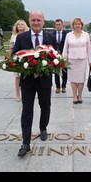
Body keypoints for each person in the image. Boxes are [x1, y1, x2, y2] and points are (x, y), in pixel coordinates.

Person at [12, 10, 57, 157]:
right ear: (29, 21)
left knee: (45, 106)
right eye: (33, 20)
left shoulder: (50, 37)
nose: (36, 23)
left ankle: (43, 128)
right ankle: (26, 143)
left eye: (39, 20)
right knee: (27, 111)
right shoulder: (21, 37)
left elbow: (57, 56)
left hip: (45, 80)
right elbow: (14, 56)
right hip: (28, 81)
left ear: (43, 21)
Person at [62, 17, 91, 104]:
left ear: (82, 25)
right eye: (75, 24)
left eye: (79, 24)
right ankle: (75, 96)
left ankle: (80, 95)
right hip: (72, 60)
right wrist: (63, 59)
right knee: (73, 79)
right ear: (73, 25)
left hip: (82, 60)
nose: (77, 25)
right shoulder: (69, 35)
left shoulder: (86, 35)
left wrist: (90, 60)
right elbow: (65, 48)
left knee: (81, 79)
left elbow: (88, 49)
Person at [8, 19, 29, 102]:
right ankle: (17, 94)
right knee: (17, 76)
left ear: (25, 26)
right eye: (18, 24)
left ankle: (27, 93)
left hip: (26, 57)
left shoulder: (27, 35)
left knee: (26, 76)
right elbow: (11, 48)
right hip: (16, 58)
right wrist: (8, 58)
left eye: (22, 24)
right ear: (16, 26)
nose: (20, 25)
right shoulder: (13, 36)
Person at [53, 19, 68, 93]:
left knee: (64, 71)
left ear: (62, 25)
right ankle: (58, 87)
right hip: (55, 55)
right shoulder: (51, 34)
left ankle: (64, 86)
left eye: (59, 24)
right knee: (56, 72)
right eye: (56, 24)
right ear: (55, 25)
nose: (58, 26)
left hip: (64, 55)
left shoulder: (67, 34)